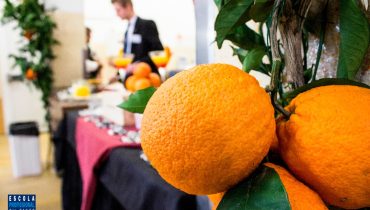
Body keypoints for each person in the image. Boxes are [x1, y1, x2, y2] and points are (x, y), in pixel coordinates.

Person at [111, 0, 164, 75]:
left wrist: (137, 64)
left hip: (146, 75)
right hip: (131, 77)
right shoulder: (127, 31)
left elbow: (158, 51)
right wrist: (117, 74)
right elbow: (127, 58)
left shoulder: (147, 25)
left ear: (128, 7)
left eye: (118, 10)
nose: (117, 14)